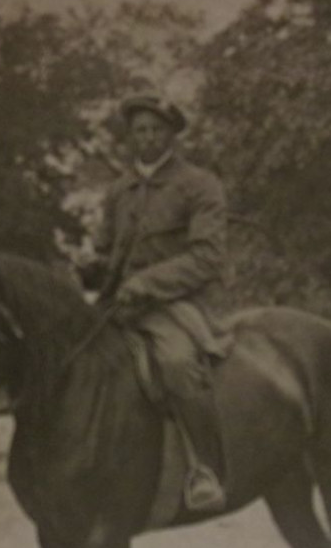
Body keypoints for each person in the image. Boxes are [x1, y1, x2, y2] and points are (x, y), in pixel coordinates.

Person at [89, 92, 232, 512]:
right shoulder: (120, 190)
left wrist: (147, 283)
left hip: (177, 304)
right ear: (129, 137)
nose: (148, 138)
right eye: (139, 131)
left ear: (171, 135)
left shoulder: (198, 185)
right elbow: (105, 249)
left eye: (156, 130)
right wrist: (90, 268)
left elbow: (208, 257)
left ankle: (206, 470)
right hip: (120, 305)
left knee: (176, 364)